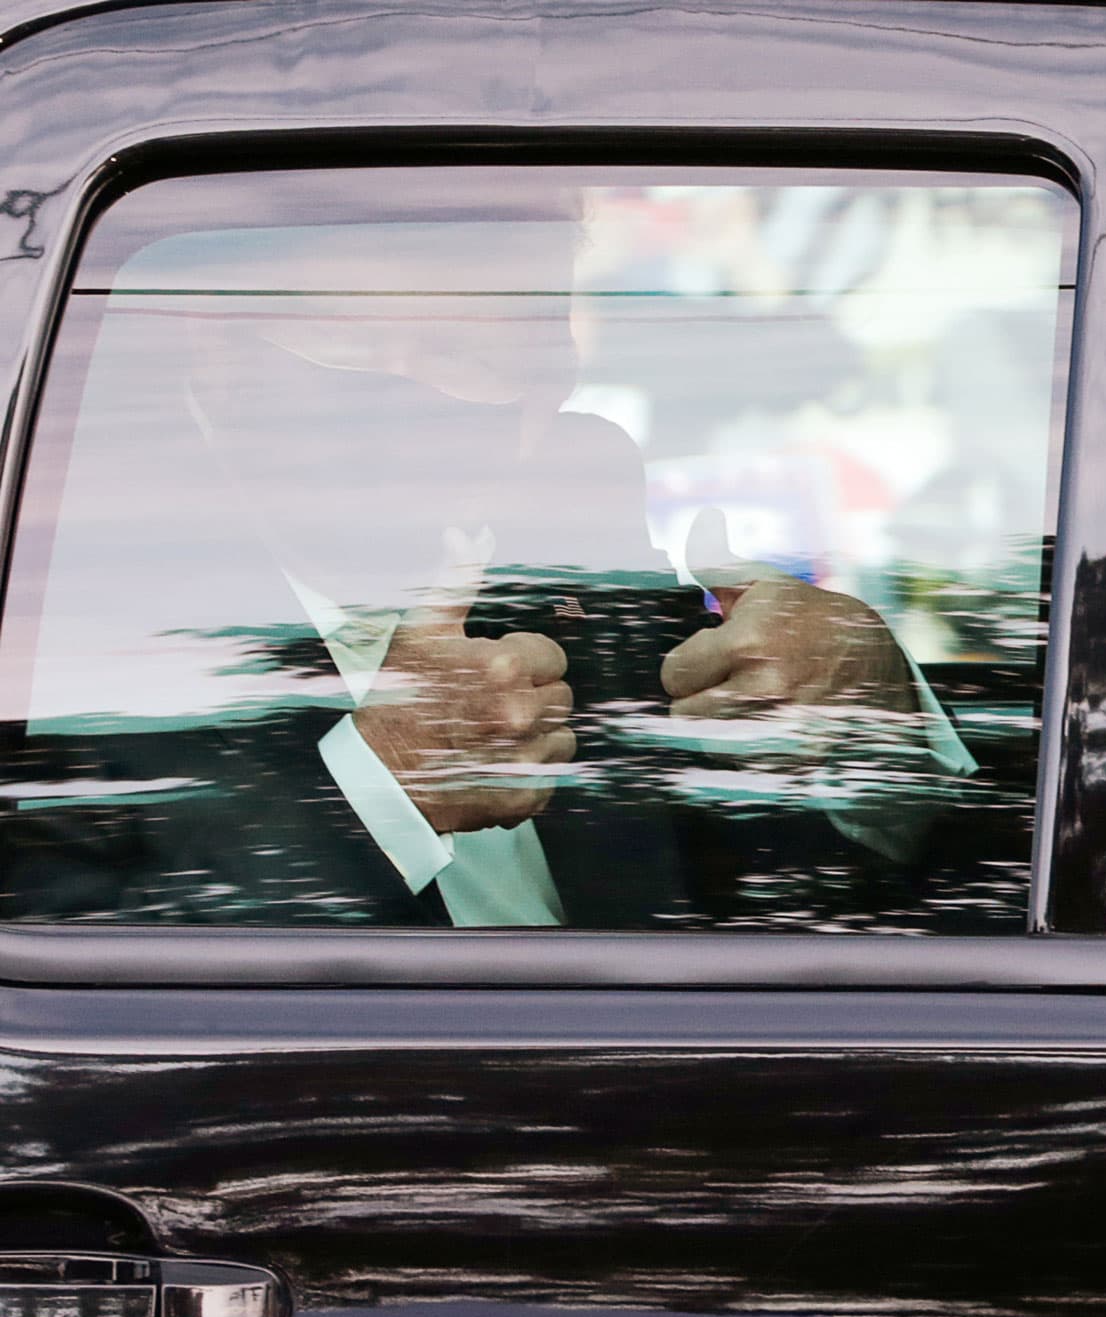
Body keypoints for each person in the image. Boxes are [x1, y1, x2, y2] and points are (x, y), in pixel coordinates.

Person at [0, 193, 972, 926]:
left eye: (539, 336)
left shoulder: (571, 521)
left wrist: (871, 726)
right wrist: (381, 795)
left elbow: (793, 907)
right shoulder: (58, 600)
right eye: (440, 354)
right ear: (208, 341)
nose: (518, 426)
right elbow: (54, 991)